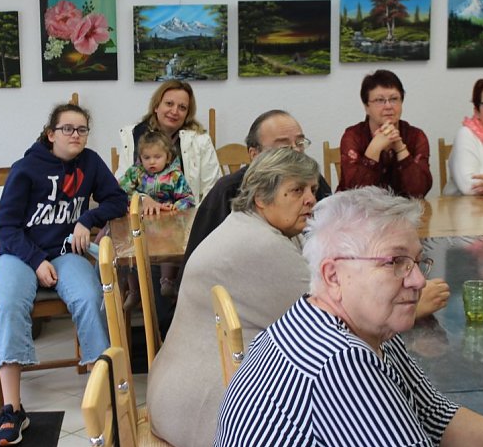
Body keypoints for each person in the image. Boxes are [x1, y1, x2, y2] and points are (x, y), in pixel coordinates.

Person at [214, 187, 483, 447]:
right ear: (334, 275)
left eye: (417, 260)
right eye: (395, 263)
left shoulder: (353, 326)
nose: (419, 279)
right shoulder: (340, 362)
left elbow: (438, 416)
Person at [183, 109, 449, 320]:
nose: (311, 200)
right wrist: (407, 307)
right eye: (297, 190)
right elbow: (319, 317)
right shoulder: (243, 215)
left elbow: (339, 245)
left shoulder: (306, 191)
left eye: (299, 143)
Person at [147, 148, 319, 447]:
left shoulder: (252, 225)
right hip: (209, 417)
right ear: (261, 197)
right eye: (296, 190)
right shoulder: (261, 244)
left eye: (312, 190)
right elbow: (334, 319)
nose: (311, 199)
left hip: (180, 397)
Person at [0, 103, 127, 447]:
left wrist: (87, 220)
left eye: (82, 129)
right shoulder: (26, 169)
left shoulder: (91, 163)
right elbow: (4, 227)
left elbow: (118, 200)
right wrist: (36, 261)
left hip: (65, 253)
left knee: (90, 296)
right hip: (21, 255)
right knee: (8, 304)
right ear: (51, 134)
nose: (76, 135)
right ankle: (12, 410)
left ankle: (100, 392)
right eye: (68, 129)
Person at [182, 110, 331, 266]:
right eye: (284, 147)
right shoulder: (228, 190)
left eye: (300, 144)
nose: (297, 152)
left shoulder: (313, 181)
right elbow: (199, 258)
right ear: (254, 154)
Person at [118, 130, 194, 307]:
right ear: (140, 157)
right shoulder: (136, 173)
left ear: (167, 157)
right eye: (147, 157)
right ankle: (133, 290)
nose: (151, 162)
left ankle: (167, 281)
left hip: (166, 223)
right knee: (129, 250)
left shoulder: (175, 175)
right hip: (140, 224)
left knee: (170, 245)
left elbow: (188, 199)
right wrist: (140, 199)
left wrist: (176, 207)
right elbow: (120, 192)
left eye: (157, 157)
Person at [117, 79, 220, 203]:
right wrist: (142, 200)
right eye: (169, 104)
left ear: (187, 114)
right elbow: (120, 188)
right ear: (156, 106)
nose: (174, 111)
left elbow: (213, 189)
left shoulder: (200, 141)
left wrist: (195, 218)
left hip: (187, 216)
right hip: (142, 216)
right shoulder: (133, 136)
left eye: (182, 107)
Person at [338, 69, 432, 197]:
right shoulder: (353, 136)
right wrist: (375, 147)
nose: (388, 106)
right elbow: (355, 193)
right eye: (379, 100)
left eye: (394, 99)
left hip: (404, 212)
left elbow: (419, 192)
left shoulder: (416, 136)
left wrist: (400, 148)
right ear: (366, 106)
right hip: (358, 213)